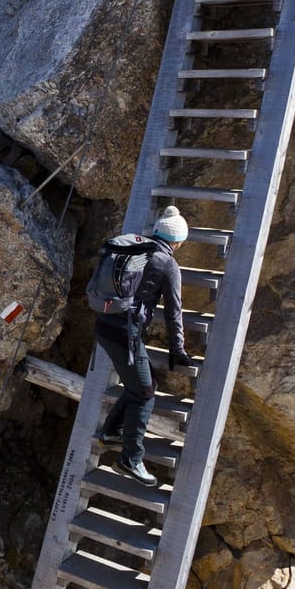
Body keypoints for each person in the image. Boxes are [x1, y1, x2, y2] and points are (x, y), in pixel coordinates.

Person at [93, 205, 193, 485]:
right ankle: (130, 459)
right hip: (125, 334)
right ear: (179, 242)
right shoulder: (167, 263)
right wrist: (178, 350)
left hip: (104, 326)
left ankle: (111, 431)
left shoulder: (137, 248)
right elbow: (174, 312)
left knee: (141, 384)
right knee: (145, 393)